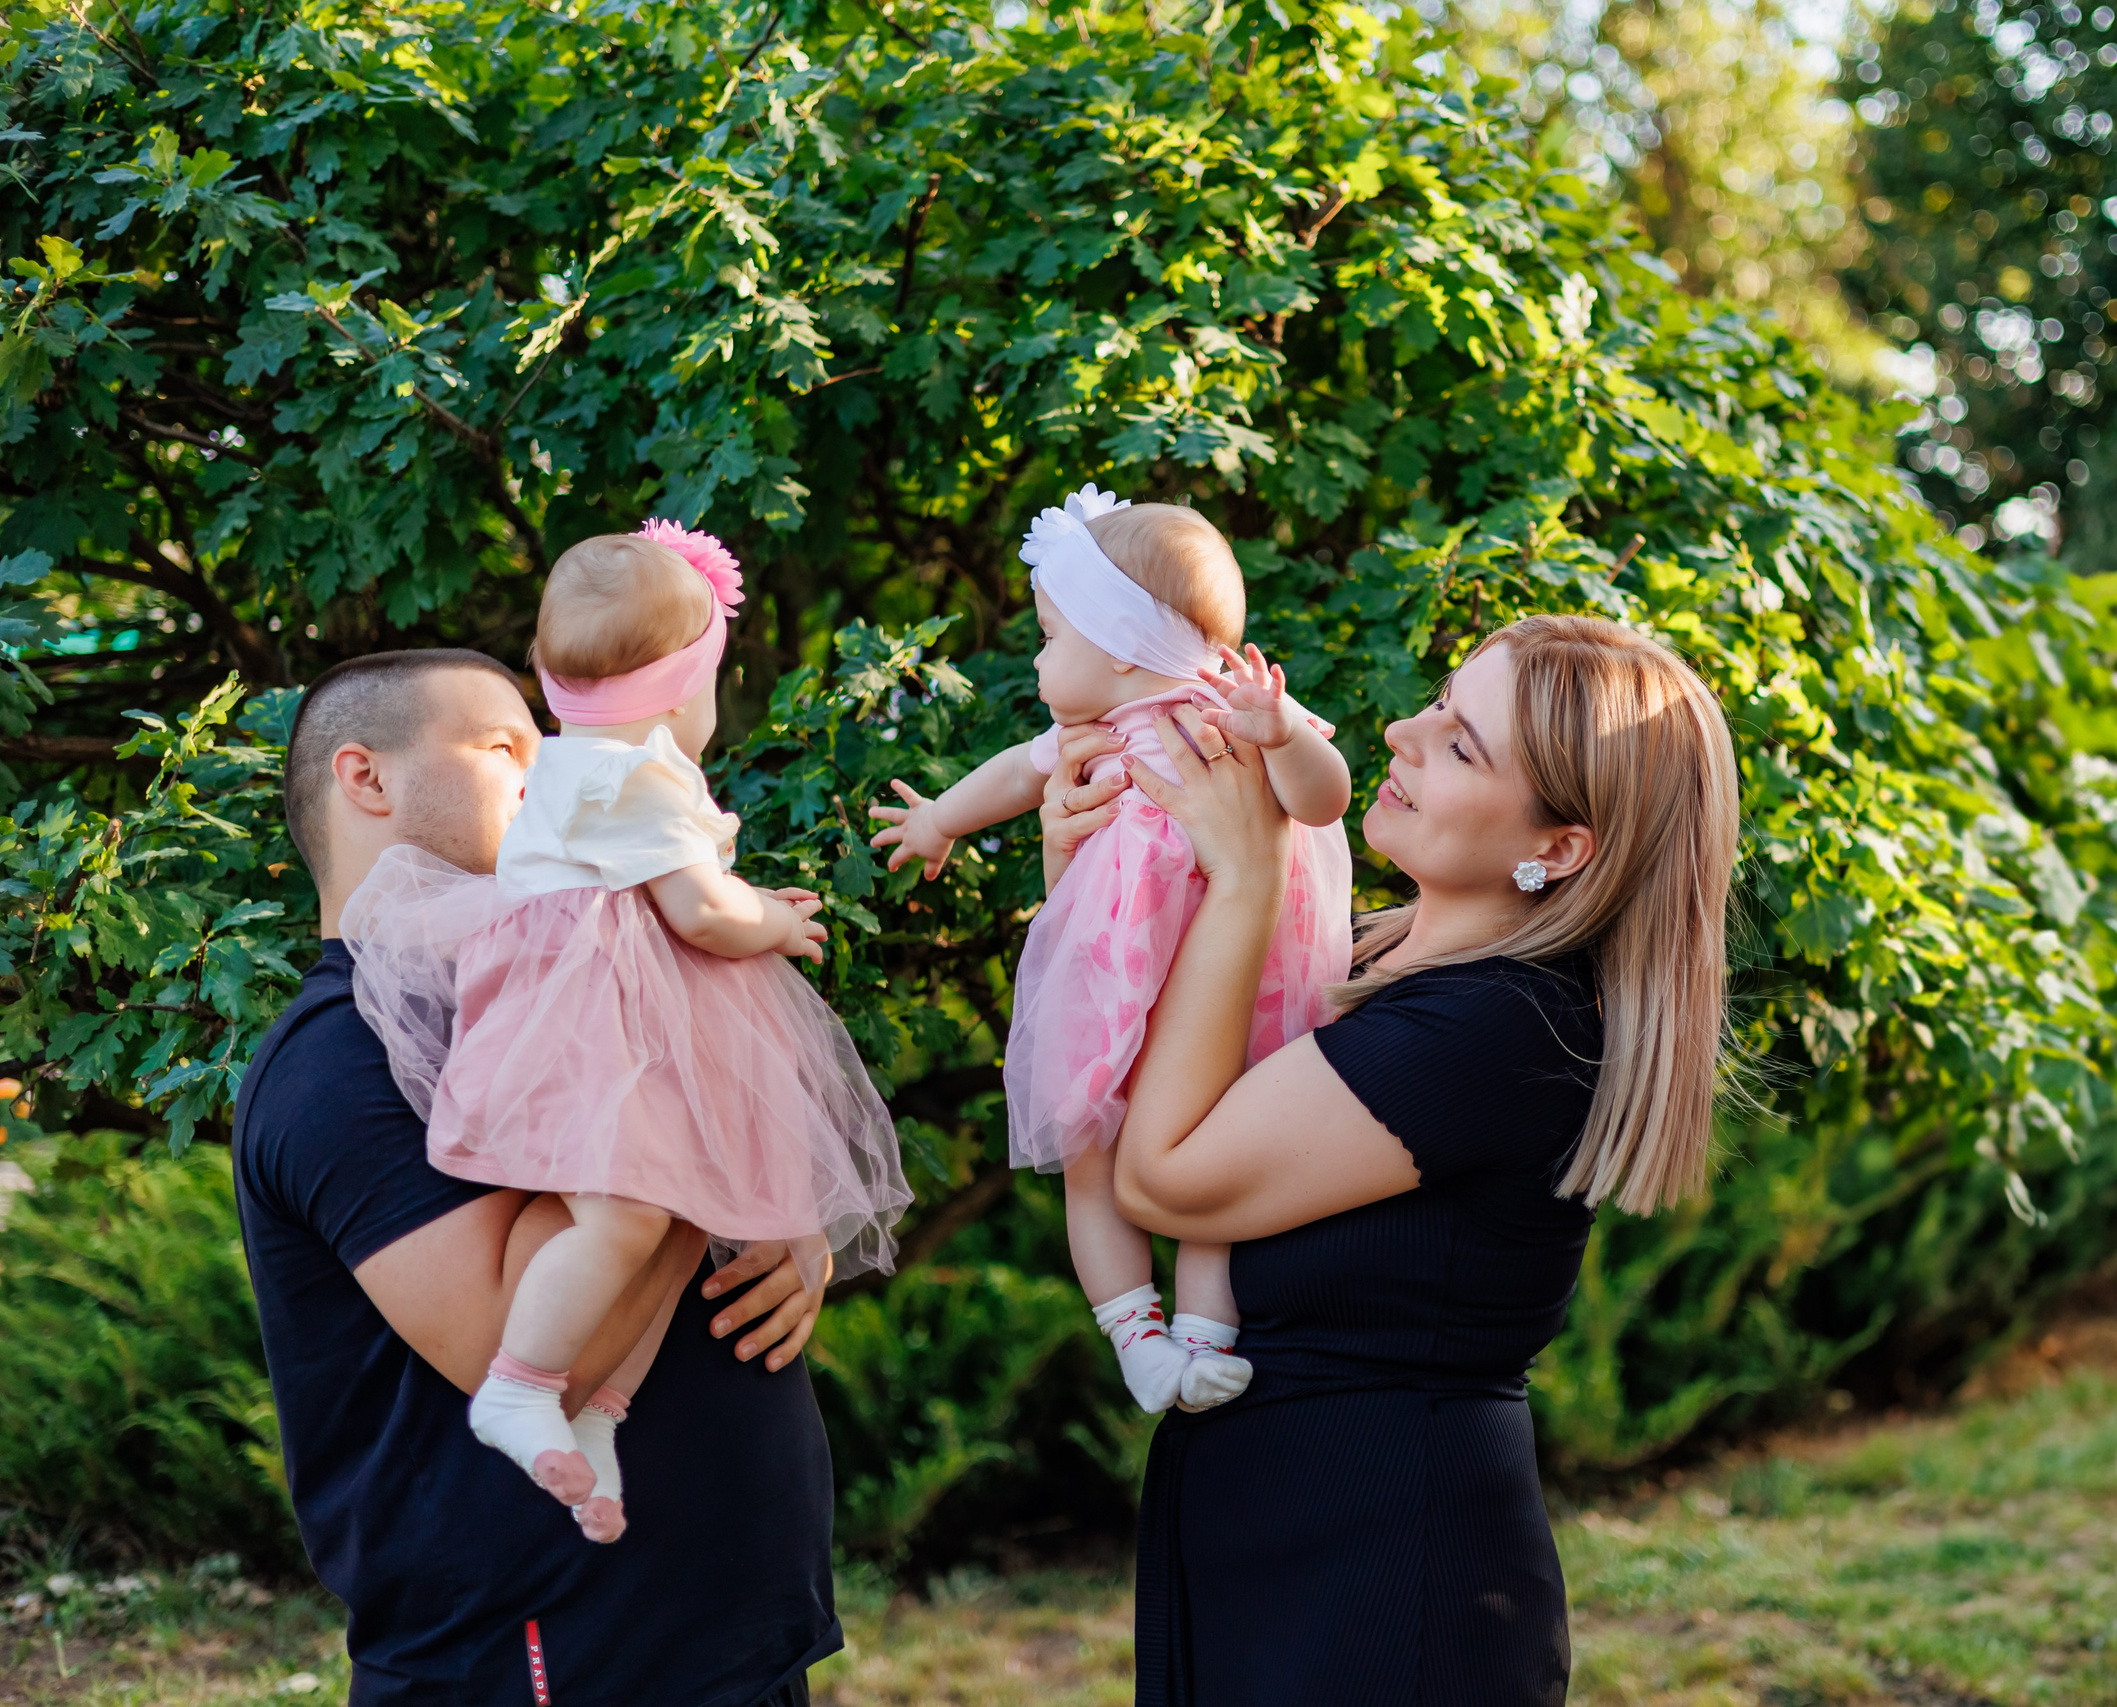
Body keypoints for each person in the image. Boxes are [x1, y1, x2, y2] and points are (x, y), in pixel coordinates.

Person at [1045, 613, 1739, 1706]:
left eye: (1461, 744)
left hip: (1381, 1578)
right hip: (1268, 1532)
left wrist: (1241, 877)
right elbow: (1105, 1073)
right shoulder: (1365, 951)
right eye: (1438, 705)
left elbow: (1162, 1176)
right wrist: (1090, 861)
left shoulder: (1501, 1030)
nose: (1401, 733)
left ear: (1558, 850)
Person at [232, 647, 843, 1706]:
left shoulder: (552, 980)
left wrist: (783, 1225)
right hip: (549, 1658)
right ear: (364, 778)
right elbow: (534, 1351)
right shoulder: (338, 1060)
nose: (546, 769)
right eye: (500, 746)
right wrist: (710, 1174)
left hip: (729, 1643)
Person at [340, 524, 907, 1541]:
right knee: (623, 1219)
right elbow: (700, 915)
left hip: (604, 1009)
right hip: (590, 1022)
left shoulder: (579, 767)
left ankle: (601, 1416)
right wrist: (773, 920)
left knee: (660, 1210)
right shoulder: (633, 774)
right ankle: (520, 1386)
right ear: (681, 691)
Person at [869, 485, 1353, 1415]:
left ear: (1125, 648)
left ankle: (1207, 1336)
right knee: (1092, 1154)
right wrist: (938, 820)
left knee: (1222, 1156)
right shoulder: (1089, 738)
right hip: (1117, 983)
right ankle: (1137, 1337)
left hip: (1236, 988)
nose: (1040, 655)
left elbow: (1325, 797)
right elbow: (1015, 773)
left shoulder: (1233, 716)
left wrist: (1284, 730)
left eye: (1052, 635)